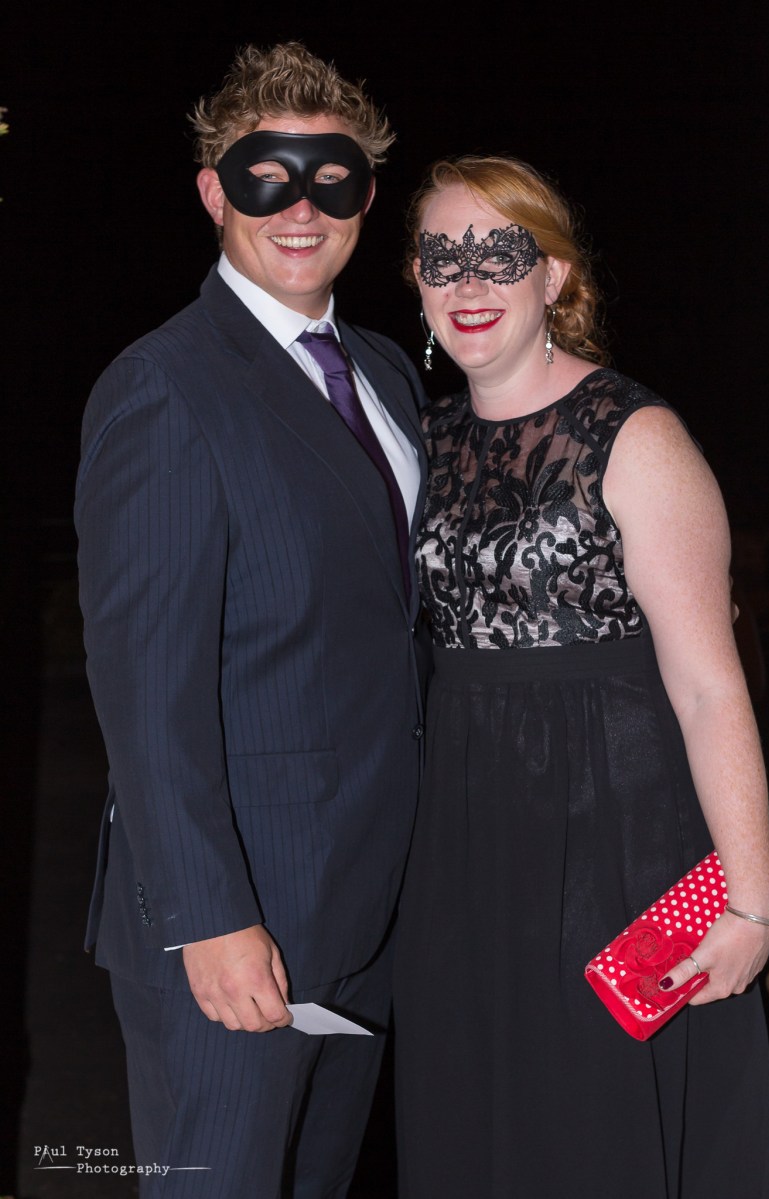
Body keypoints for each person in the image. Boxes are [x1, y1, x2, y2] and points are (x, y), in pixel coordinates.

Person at [75, 41, 427, 1198]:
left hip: (369, 915)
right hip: (238, 934)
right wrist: (210, 917)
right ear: (213, 192)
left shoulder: (387, 374)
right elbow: (145, 689)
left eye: (332, 177)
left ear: (366, 196)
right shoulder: (165, 386)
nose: (301, 206)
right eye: (264, 175)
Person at [392, 155, 769, 1198]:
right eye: (442, 257)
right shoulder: (423, 435)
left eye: (499, 253)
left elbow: (710, 687)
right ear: (417, 280)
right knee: (473, 1125)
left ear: (553, 274)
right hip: (462, 845)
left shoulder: (635, 435)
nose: (469, 282)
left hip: (616, 841)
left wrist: (751, 905)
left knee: (592, 1133)